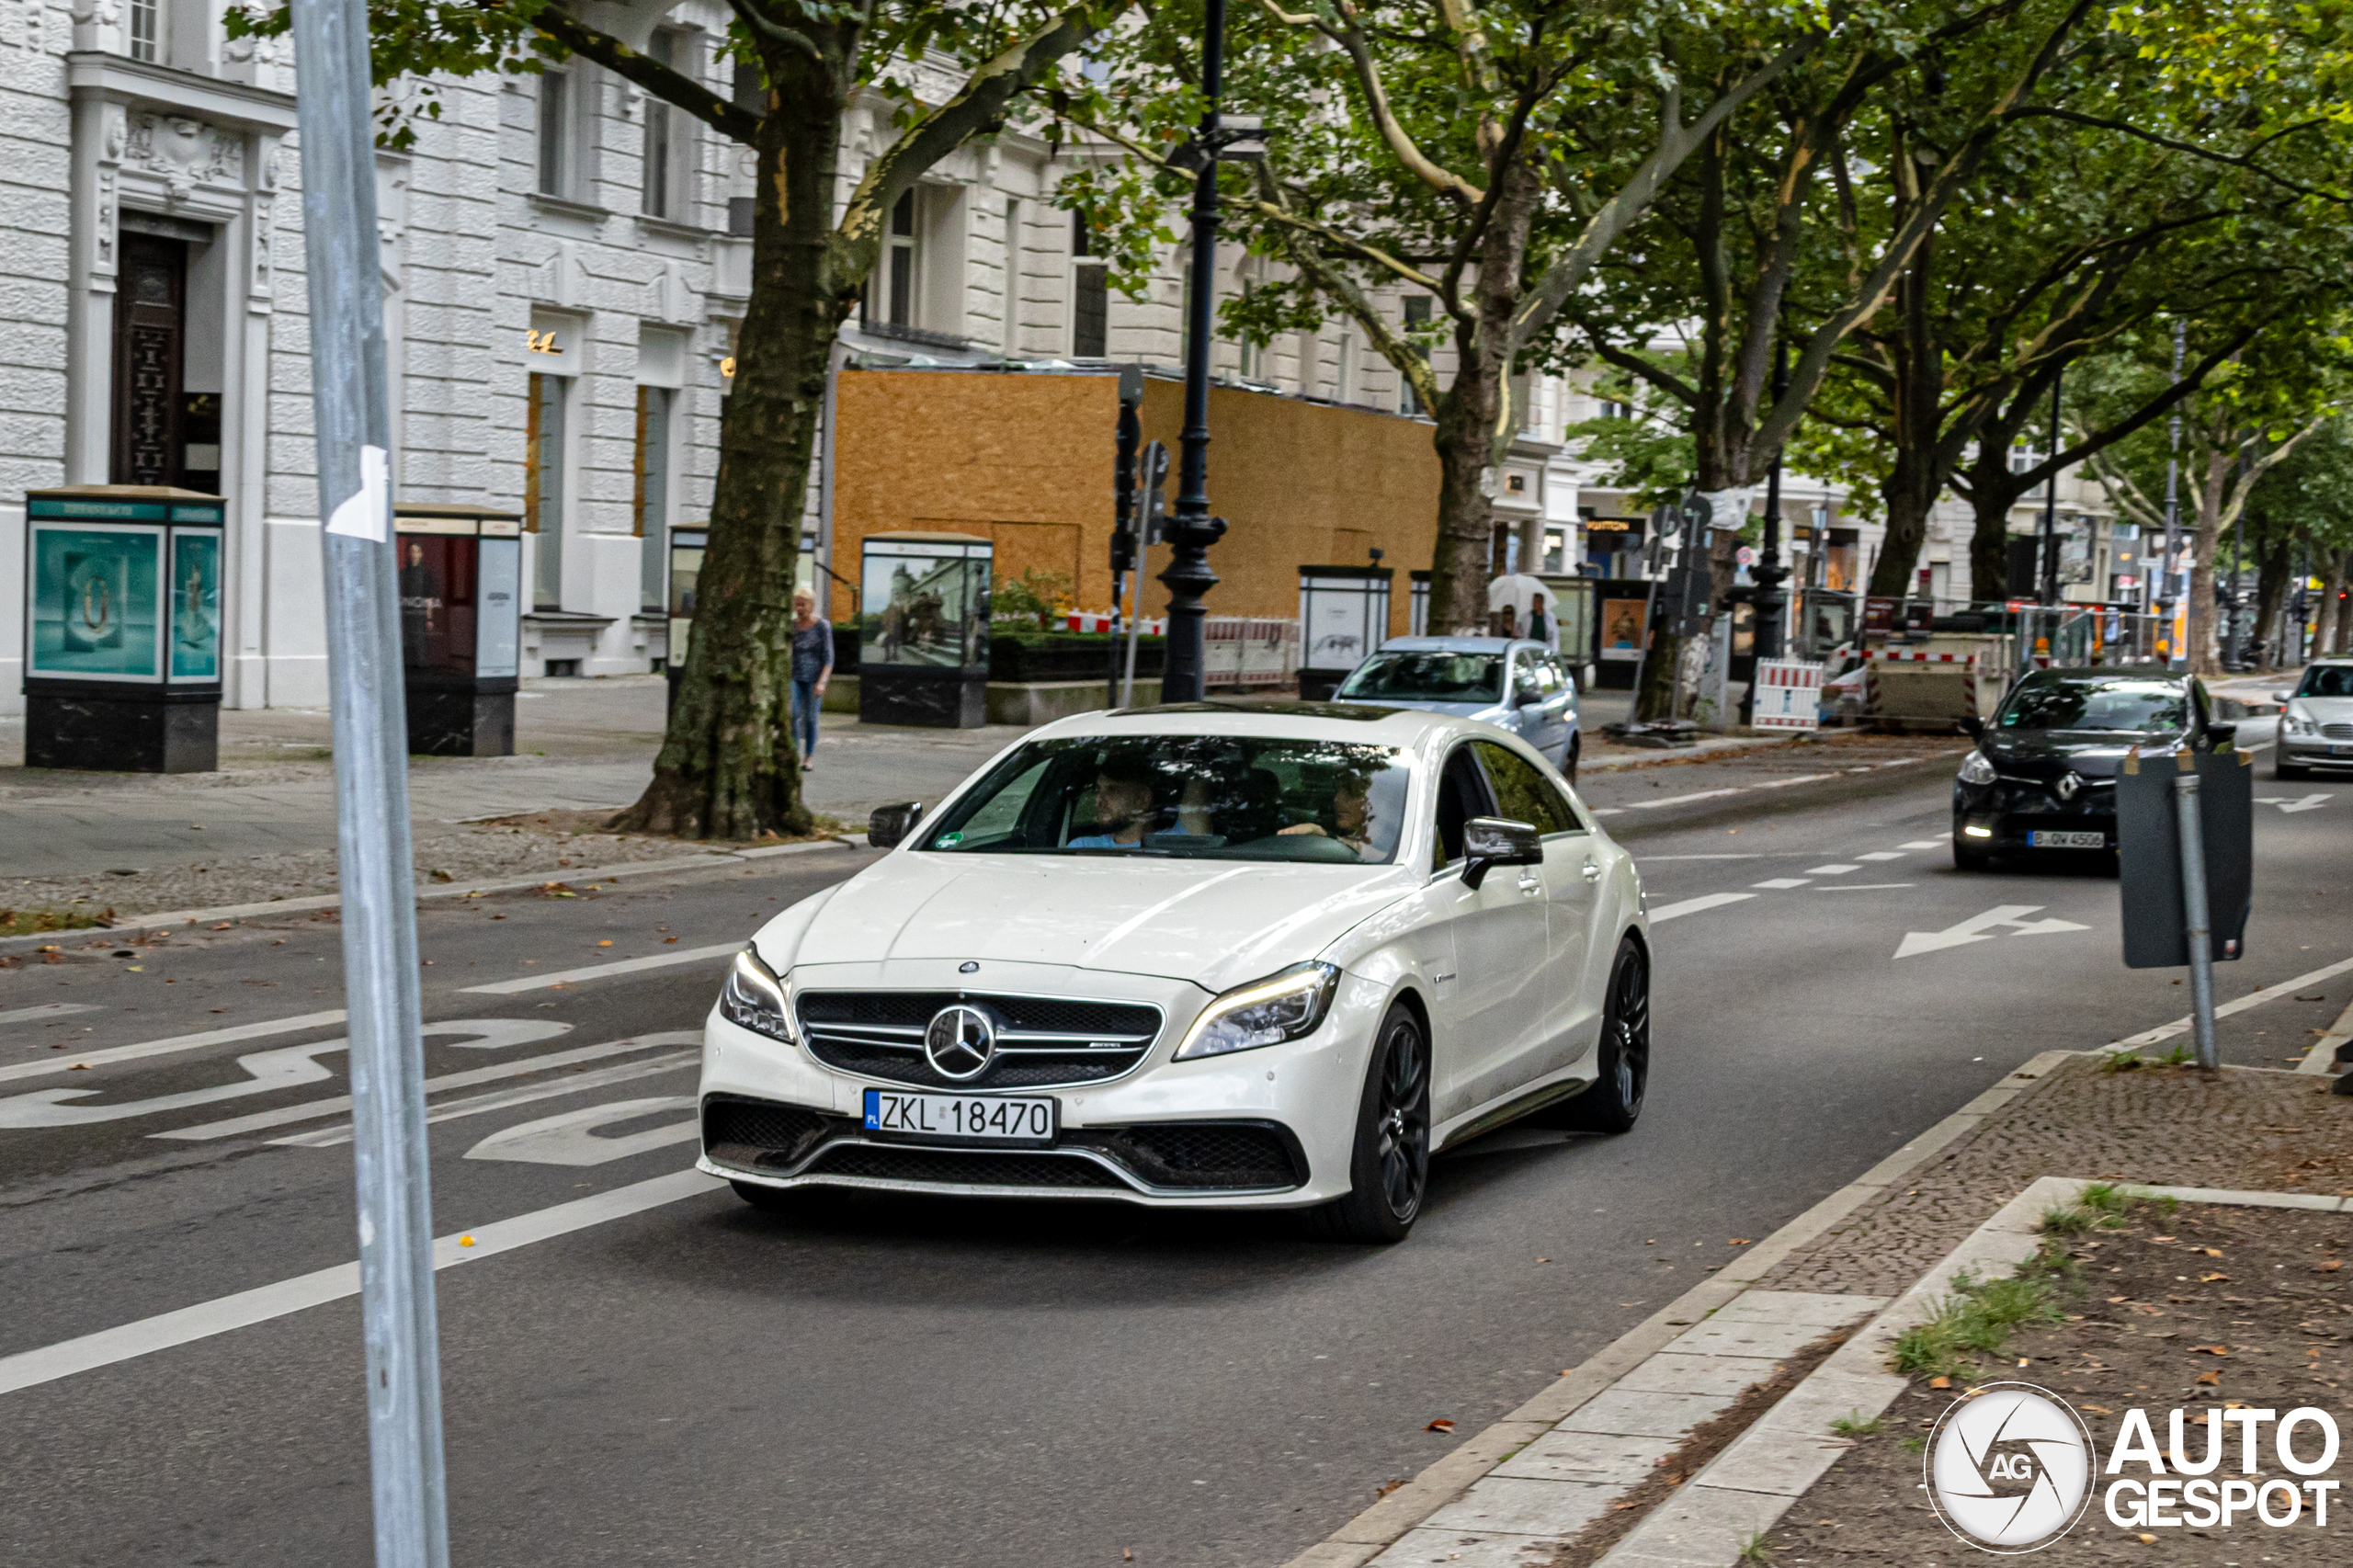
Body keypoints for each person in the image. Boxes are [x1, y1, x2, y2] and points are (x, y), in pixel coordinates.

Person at [1068, 755, 1161, 848]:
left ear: (1143, 798)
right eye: (1098, 790)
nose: (1098, 800)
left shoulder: (1171, 845)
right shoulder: (1082, 847)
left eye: (1112, 790)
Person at [790, 586, 832, 768]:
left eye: (803, 604)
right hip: (795, 677)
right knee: (792, 715)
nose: (800, 608)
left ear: (811, 604)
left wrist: (822, 682)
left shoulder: (822, 626)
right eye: (797, 604)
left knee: (811, 718)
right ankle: (794, 754)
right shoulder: (792, 626)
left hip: (815, 678)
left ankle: (808, 757)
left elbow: (829, 657)